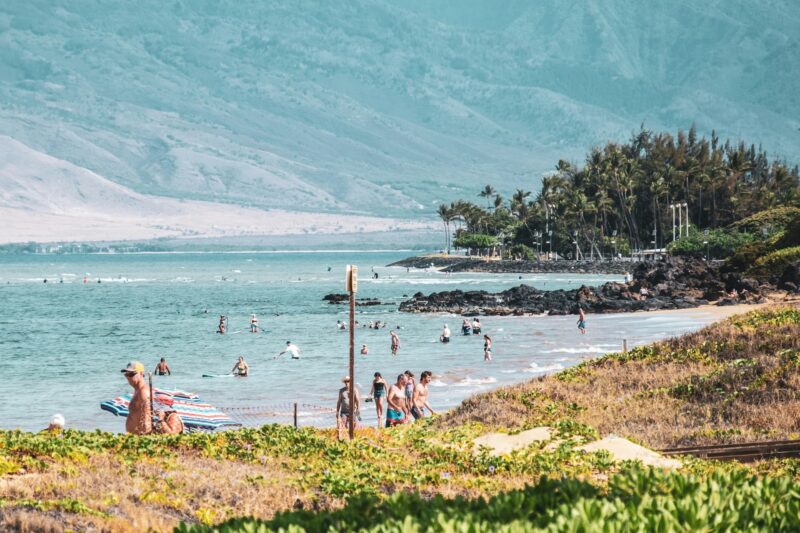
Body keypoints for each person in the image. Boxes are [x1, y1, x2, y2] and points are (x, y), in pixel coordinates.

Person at [121, 361, 152, 435]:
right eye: (126, 374)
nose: (128, 377)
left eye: (131, 374)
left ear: (141, 374)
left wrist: (142, 440)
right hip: (133, 437)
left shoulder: (144, 392)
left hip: (140, 438)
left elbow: (147, 419)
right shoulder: (137, 391)